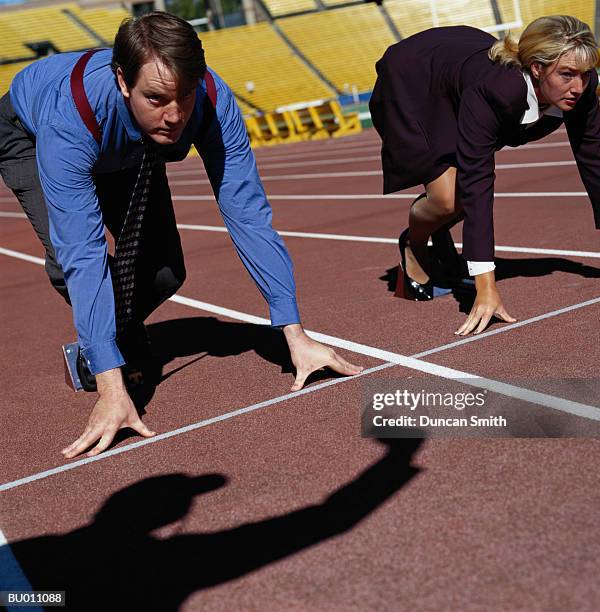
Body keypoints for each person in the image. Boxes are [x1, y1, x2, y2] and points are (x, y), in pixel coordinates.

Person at [0, 11, 362, 459]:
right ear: (123, 81)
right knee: (67, 262)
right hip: (32, 133)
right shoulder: (69, 120)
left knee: (165, 271)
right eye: (156, 98)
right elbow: (84, 252)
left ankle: (107, 337)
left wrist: (294, 333)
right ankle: (103, 353)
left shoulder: (211, 101)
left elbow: (247, 212)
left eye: (184, 96)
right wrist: (111, 387)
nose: (174, 117)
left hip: (124, 137)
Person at [370, 15, 600, 333]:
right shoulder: (494, 89)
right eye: (567, 75)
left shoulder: (578, 86)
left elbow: (593, 155)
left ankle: (438, 228)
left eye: (584, 74)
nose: (578, 87)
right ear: (536, 68)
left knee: (458, 192)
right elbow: (478, 179)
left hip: (457, 73)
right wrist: (485, 286)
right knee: (448, 200)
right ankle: (414, 245)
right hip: (414, 81)